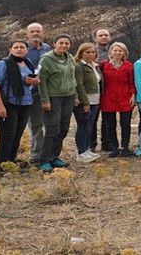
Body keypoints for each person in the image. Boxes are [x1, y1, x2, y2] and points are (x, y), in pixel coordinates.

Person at [0, 40, 36, 170]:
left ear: (26, 50)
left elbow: (30, 81)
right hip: (8, 104)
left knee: (17, 134)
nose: (19, 49)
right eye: (16, 47)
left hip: (25, 103)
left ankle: (11, 161)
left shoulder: (28, 63)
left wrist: (33, 81)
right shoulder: (3, 64)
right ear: (10, 49)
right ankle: (4, 165)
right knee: (7, 135)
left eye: (22, 47)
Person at [38, 34, 78, 173]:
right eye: (61, 43)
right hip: (53, 97)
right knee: (52, 129)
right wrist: (45, 100)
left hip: (68, 96)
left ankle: (55, 157)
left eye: (67, 43)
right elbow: (41, 81)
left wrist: (76, 96)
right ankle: (44, 160)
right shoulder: (47, 59)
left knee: (64, 128)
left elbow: (73, 78)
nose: (64, 46)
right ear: (54, 43)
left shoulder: (70, 57)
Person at [99, 42, 135, 158]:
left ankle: (125, 147)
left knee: (125, 124)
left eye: (120, 51)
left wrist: (133, 95)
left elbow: (132, 82)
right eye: (115, 50)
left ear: (124, 53)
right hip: (108, 97)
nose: (118, 53)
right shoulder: (103, 65)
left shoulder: (129, 66)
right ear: (110, 52)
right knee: (110, 124)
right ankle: (114, 147)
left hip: (125, 97)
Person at [24, 22, 49, 167]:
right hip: (30, 92)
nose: (35, 34)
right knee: (36, 124)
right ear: (28, 34)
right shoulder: (22, 48)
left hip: (46, 91)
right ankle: (36, 155)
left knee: (50, 124)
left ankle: (48, 153)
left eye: (38, 31)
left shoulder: (46, 48)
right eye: (32, 31)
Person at [73, 43, 102, 163]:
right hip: (85, 101)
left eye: (93, 52)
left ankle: (87, 149)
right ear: (81, 53)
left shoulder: (95, 66)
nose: (91, 54)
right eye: (87, 52)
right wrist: (85, 102)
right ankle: (81, 152)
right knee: (83, 125)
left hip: (95, 100)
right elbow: (79, 85)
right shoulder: (79, 66)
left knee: (90, 125)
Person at [92, 28, 112, 153]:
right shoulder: (92, 51)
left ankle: (107, 143)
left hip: (109, 88)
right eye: (100, 35)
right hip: (94, 88)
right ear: (95, 38)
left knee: (107, 117)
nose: (103, 37)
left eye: (106, 35)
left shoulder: (113, 50)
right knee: (92, 118)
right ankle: (91, 144)